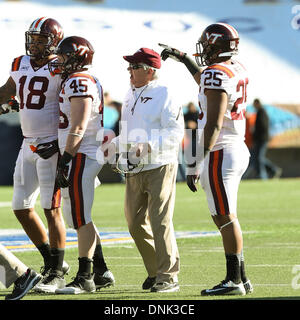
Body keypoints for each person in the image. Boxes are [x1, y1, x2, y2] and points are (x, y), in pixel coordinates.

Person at [161, 22, 253, 296]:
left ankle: (234, 280)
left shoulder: (215, 73)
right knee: (226, 215)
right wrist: (185, 59)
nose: (203, 50)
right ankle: (242, 278)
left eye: (207, 45)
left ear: (216, 46)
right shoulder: (234, 67)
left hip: (220, 150)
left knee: (224, 217)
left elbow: (212, 124)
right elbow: (207, 82)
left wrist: (194, 161)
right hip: (234, 146)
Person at [103, 47, 184, 293]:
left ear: (150, 71)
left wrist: (149, 145)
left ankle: (168, 277)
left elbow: (175, 131)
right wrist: (115, 143)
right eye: (129, 66)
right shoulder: (129, 93)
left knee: (160, 221)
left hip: (160, 164)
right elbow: (128, 130)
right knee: (134, 222)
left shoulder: (165, 92)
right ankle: (154, 271)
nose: (129, 70)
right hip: (134, 166)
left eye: (135, 66)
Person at [0, 17, 69, 294]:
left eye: (41, 39)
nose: (34, 44)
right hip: (27, 143)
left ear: (53, 41)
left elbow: (71, 104)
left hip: (50, 144)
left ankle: (57, 270)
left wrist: (63, 143)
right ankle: (51, 262)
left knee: (52, 210)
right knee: (21, 207)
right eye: (33, 38)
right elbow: (8, 91)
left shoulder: (62, 65)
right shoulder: (20, 63)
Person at [45, 36, 114, 294]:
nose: (59, 61)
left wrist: (65, 159)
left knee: (80, 217)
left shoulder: (79, 81)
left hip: (82, 153)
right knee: (77, 215)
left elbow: (78, 126)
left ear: (76, 57)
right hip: (81, 153)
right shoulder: (79, 79)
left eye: (63, 56)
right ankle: (101, 270)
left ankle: (85, 277)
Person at [252, 98, 282, 179]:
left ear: (257, 103)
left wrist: (254, 132)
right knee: (259, 158)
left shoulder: (261, 112)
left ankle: (263, 176)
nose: (253, 106)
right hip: (261, 139)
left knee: (259, 158)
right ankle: (274, 170)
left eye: (254, 104)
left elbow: (263, 126)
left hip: (262, 139)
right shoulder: (261, 112)